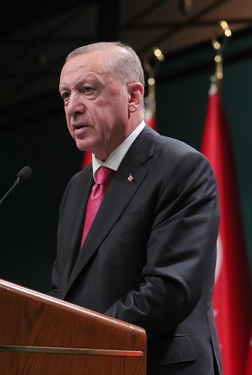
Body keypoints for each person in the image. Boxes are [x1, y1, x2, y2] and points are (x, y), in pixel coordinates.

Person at [48, 41, 223, 375]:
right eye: (66, 95)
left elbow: (169, 290)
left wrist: (84, 339)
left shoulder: (181, 167)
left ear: (132, 96)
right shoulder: (77, 188)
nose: (73, 107)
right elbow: (63, 288)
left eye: (87, 90)